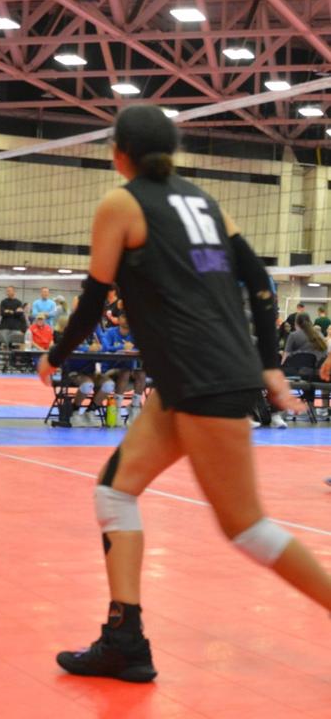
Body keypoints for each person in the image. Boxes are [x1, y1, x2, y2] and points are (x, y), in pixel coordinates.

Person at [37, 104, 331, 682]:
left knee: (246, 526)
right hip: (189, 377)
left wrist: (55, 354)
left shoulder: (121, 203)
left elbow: (94, 298)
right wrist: (269, 365)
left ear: (119, 153)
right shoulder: (205, 201)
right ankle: (124, 639)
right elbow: (259, 279)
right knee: (114, 492)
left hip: (203, 377)